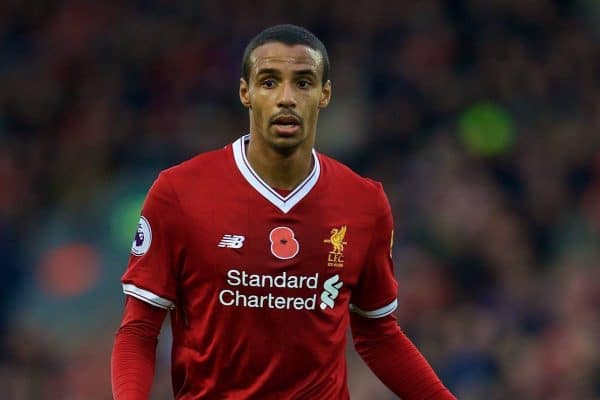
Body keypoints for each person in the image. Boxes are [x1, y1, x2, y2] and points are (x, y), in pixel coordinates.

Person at [111, 24, 456, 400]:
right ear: (246, 92)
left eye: (304, 82)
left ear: (325, 94)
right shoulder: (179, 192)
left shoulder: (364, 202)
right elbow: (139, 330)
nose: (286, 98)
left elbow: (378, 335)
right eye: (270, 82)